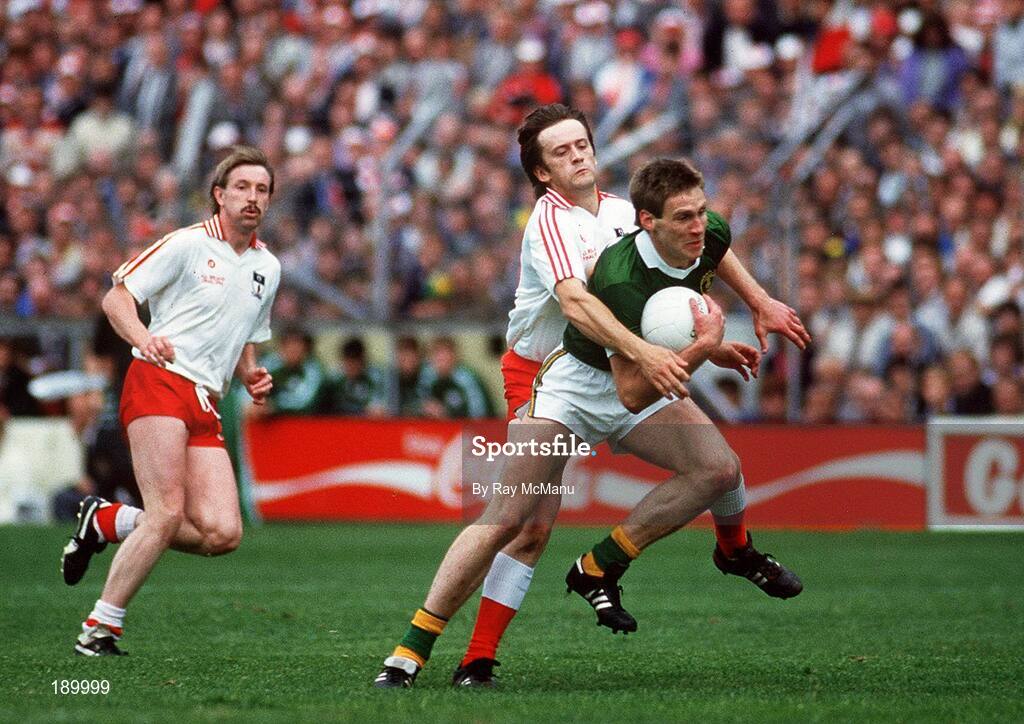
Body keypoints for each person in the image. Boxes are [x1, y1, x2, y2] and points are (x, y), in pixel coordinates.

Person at [375, 157, 809, 688]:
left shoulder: (699, 229)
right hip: (574, 388)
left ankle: (611, 563)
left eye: (701, 213)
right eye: (684, 218)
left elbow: (718, 249)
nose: (699, 226)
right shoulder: (612, 269)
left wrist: (760, 303)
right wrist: (700, 348)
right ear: (650, 222)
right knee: (513, 516)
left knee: (719, 470)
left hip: (642, 372)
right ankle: (410, 652)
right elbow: (629, 392)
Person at [60, 145, 281, 656]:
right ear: (219, 196)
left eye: (262, 190)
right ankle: (100, 628)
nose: (253, 198)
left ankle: (106, 520)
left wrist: (249, 373)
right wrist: (142, 337)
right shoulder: (184, 245)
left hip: (206, 396)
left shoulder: (267, 267)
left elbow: (247, 329)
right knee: (165, 513)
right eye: (242, 188)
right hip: (159, 379)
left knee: (222, 533)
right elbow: (116, 297)